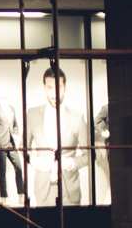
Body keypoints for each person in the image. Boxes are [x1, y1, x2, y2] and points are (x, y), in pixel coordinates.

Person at [26, 67, 88, 206]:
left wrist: (70, 163)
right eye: (50, 88)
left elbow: (90, 155)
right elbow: (23, 147)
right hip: (43, 191)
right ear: (44, 88)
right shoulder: (32, 114)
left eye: (58, 87)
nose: (54, 93)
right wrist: (35, 161)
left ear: (65, 88)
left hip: (70, 192)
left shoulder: (77, 117)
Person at [0, 97, 25, 199]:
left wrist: (16, 134)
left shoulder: (11, 108)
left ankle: (21, 194)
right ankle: (4, 197)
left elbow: (15, 124)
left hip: (11, 144)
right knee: (2, 171)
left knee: (19, 168)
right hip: (1, 144)